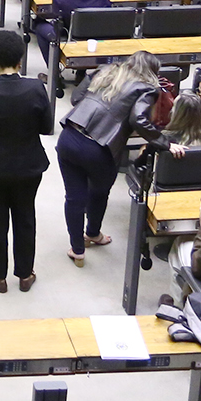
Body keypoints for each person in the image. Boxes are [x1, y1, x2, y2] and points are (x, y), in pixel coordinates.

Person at [0, 29, 54, 293]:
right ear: (20, 59)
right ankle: (25, 274)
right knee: (25, 217)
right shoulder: (36, 88)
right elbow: (46, 127)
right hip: (28, 165)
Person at [57, 50, 160, 264]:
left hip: (69, 137)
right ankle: (93, 233)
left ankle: (77, 249)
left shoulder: (104, 71)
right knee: (99, 192)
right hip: (99, 149)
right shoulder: (146, 88)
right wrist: (163, 141)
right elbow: (139, 120)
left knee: (74, 197)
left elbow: (76, 98)